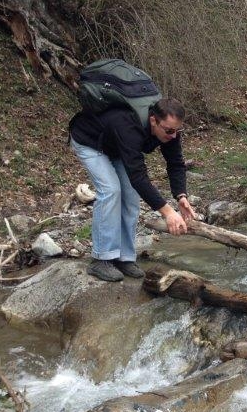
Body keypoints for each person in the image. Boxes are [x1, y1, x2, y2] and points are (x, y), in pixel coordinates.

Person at [69, 98, 195, 282]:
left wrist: (181, 196)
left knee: (130, 195)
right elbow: (138, 176)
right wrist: (168, 212)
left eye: (177, 130)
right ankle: (100, 259)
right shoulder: (129, 126)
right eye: (169, 131)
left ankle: (124, 257)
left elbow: (175, 163)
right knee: (111, 190)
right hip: (89, 140)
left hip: (116, 145)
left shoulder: (170, 130)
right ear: (153, 120)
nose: (174, 135)